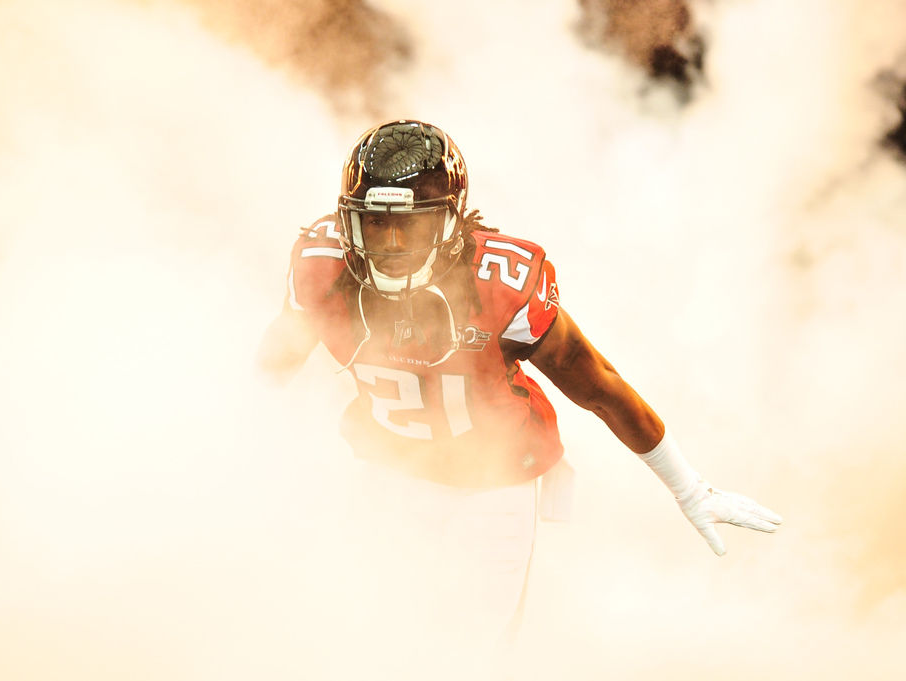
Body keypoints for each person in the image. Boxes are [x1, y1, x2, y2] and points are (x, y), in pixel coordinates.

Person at [257, 119, 782, 673]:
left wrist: (689, 488)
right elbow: (277, 361)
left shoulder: (501, 282)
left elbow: (597, 384)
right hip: (387, 472)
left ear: (452, 224)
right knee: (371, 641)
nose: (390, 246)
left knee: (466, 658)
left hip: (494, 488)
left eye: (409, 228)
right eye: (375, 224)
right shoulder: (321, 265)